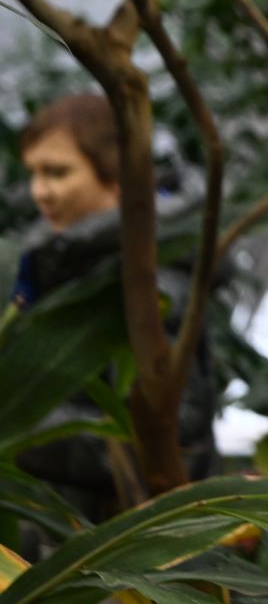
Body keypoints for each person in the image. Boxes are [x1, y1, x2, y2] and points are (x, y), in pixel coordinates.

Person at [10, 93, 221, 517]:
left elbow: (165, 443)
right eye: (33, 173)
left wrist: (14, 426)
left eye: (57, 173)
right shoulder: (67, 263)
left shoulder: (151, 287)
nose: (39, 192)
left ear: (119, 174)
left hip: (102, 553)